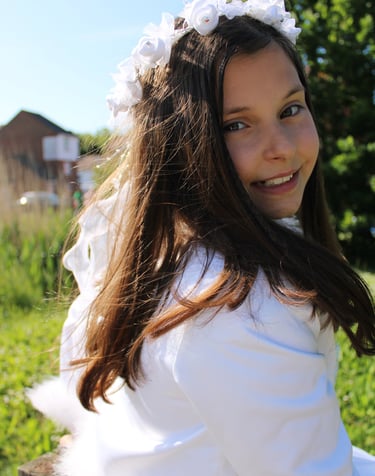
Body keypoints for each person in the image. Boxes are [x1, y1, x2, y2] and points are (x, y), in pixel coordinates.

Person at [28, 1, 375, 475]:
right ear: (181, 147)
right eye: (237, 125)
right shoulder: (243, 309)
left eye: (291, 109)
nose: (283, 148)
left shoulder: (172, 249)